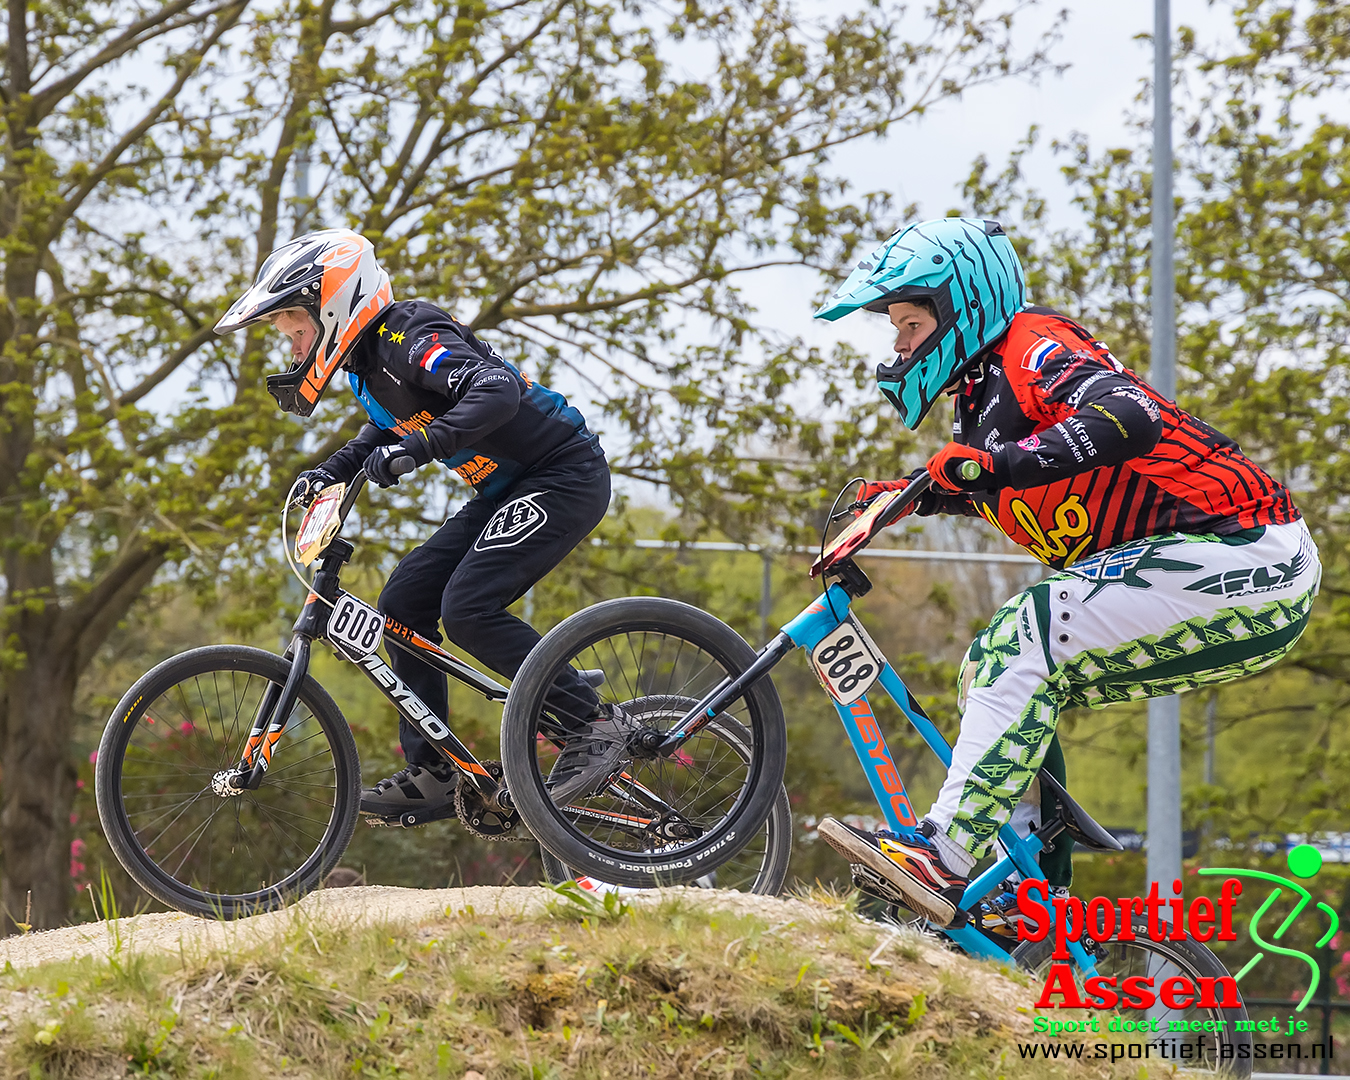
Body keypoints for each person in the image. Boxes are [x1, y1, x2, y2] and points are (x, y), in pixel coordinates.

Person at [812, 217, 1320, 927]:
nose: (898, 343)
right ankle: (1033, 892)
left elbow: (1130, 416)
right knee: (993, 673)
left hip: (1246, 551)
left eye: (910, 320)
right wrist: (907, 495)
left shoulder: (1034, 349)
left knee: (1027, 636)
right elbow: (1001, 477)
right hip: (1197, 566)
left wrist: (999, 466)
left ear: (961, 304)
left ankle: (943, 855)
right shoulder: (981, 399)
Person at [216, 229, 632, 824]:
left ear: (332, 305)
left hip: (561, 472)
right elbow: (384, 428)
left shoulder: (407, 335)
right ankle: (437, 769)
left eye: (296, 331)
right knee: (403, 602)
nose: (293, 349)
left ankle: (592, 725)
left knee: (467, 608)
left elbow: (496, 389)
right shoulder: (367, 366)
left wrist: (424, 445)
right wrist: (330, 472)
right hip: (506, 486)